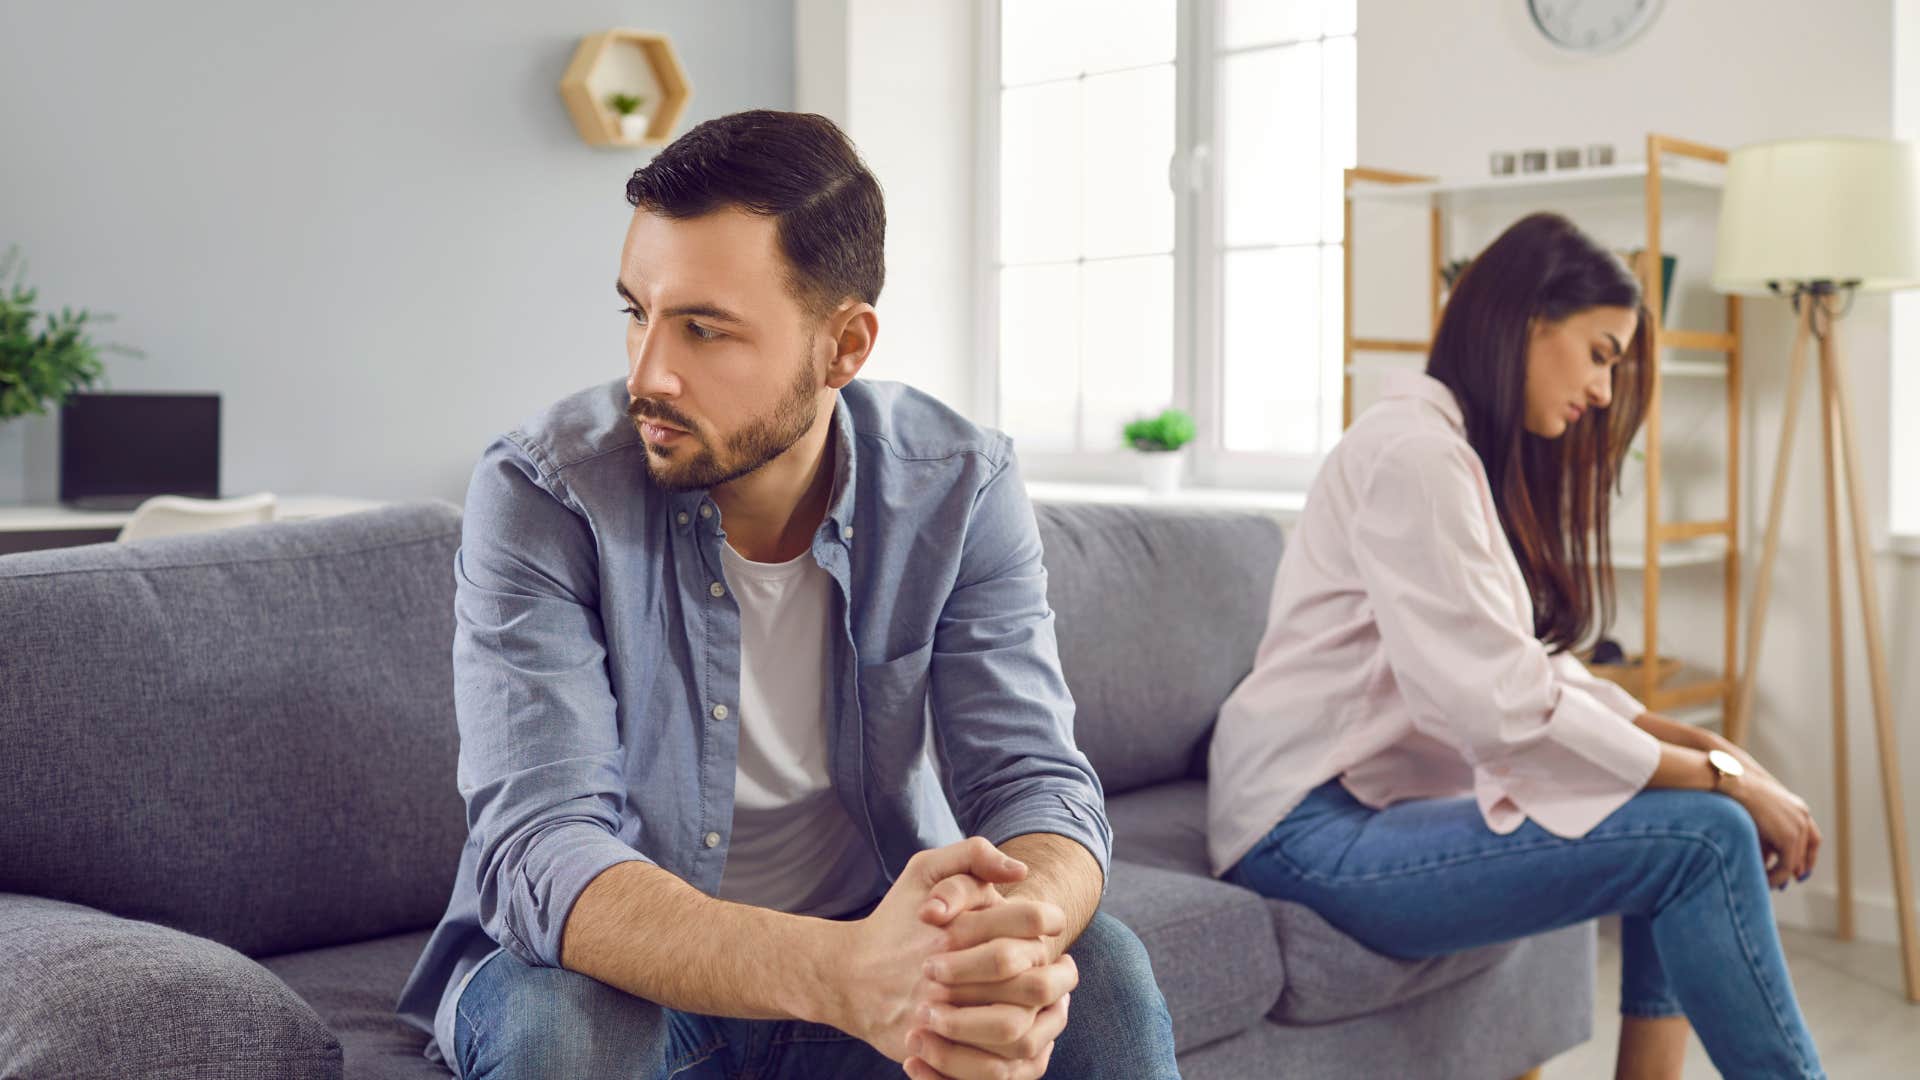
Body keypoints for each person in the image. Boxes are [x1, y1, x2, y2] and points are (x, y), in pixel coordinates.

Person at [394, 109, 1179, 1080]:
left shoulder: (959, 487)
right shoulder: (544, 494)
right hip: (618, 978)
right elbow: (542, 850)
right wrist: (843, 973)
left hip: (867, 946)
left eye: (703, 329)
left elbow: (1035, 784)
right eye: (636, 310)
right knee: (565, 1037)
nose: (648, 373)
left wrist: (1008, 943)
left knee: (1098, 973)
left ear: (844, 347)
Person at [1207, 212, 1826, 1079]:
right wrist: (1727, 780)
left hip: (1358, 812)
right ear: (1528, 319)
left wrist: (1709, 750)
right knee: (1707, 835)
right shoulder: (1415, 457)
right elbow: (1501, 709)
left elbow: (1531, 670)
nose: (1606, 393)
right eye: (1602, 352)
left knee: (1691, 824)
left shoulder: (1449, 456)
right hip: (1303, 832)